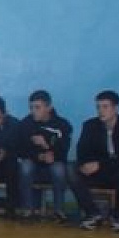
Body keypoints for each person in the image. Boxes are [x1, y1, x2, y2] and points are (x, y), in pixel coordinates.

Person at [69, 90, 119, 234]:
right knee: (70, 168)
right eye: (98, 107)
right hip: (96, 173)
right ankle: (93, 214)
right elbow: (82, 152)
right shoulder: (90, 126)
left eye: (105, 107)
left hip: (117, 173)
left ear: (116, 108)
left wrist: (101, 164)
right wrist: (86, 165)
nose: (101, 111)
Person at [13, 90, 73, 223]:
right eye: (31, 108)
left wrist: (46, 146)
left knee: (59, 169)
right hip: (34, 164)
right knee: (25, 167)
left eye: (37, 107)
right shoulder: (25, 124)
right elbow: (20, 150)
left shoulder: (62, 125)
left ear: (49, 107)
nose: (33, 111)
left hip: (53, 163)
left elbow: (63, 151)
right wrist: (38, 156)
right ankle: (28, 210)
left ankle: (58, 211)